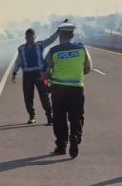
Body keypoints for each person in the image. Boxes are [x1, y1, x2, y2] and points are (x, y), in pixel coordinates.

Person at [44, 23, 91, 158]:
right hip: (76, 88)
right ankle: (75, 136)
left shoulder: (53, 51)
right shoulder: (82, 50)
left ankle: (61, 146)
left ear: (60, 36)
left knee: (59, 118)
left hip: (58, 89)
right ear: (72, 35)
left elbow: (47, 72)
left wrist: (47, 77)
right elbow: (88, 69)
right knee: (76, 117)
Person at [11, 27, 59, 124]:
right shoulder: (21, 49)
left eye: (32, 36)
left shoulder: (40, 45)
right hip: (27, 76)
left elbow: (51, 39)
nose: (30, 38)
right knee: (28, 97)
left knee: (44, 96)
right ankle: (32, 116)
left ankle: (49, 117)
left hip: (40, 75)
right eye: (28, 36)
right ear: (25, 37)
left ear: (35, 37)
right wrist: (14, 72)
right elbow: (18, 61)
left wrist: (58, 31)